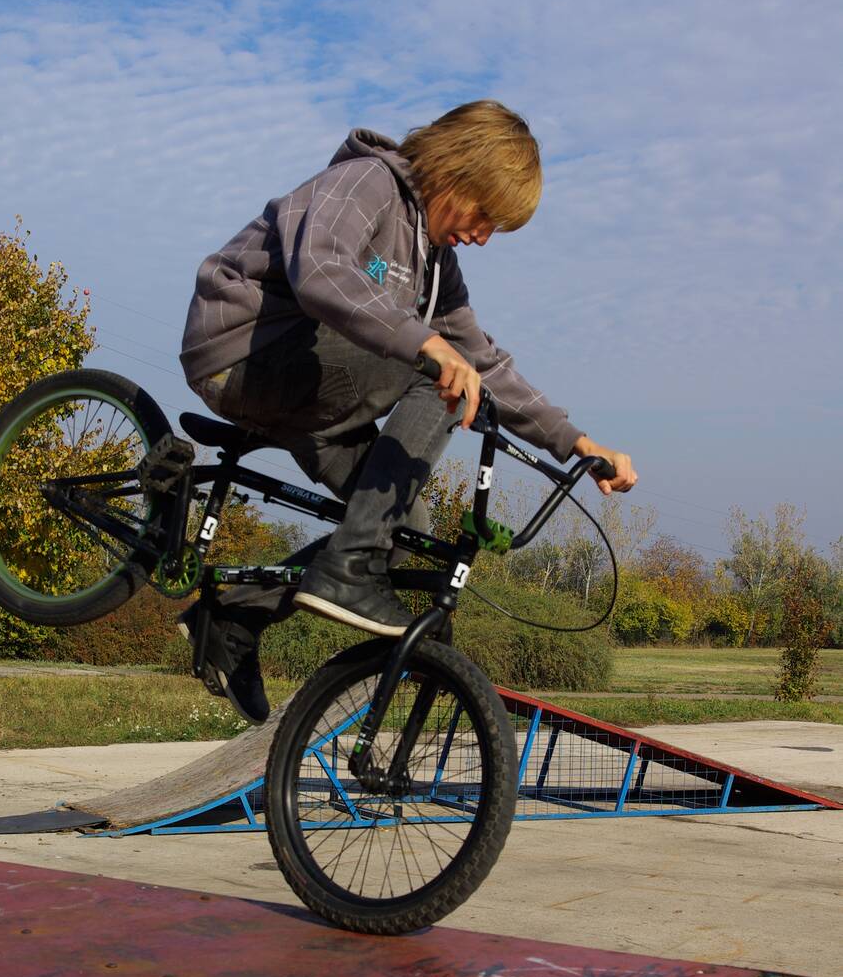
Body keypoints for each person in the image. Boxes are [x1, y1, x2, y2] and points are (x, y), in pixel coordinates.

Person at [179, 99, 636, 724]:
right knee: (444, 374)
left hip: (309, 393)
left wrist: (579, 443)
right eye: (484, 215)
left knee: (403, 526)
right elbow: (320, 270)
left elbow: (487, 364)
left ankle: (232, 616)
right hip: (243, 351)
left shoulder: (437, 267)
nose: (483, 236)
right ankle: (346, 568)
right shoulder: (365, 181)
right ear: (454, 171)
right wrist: (429, 346)